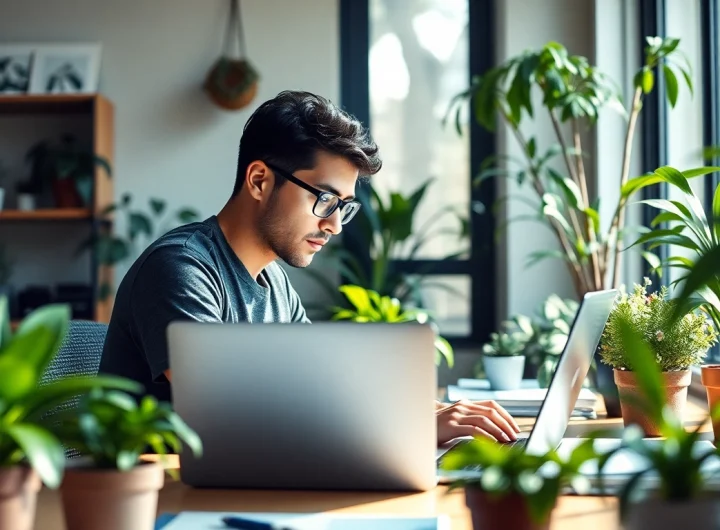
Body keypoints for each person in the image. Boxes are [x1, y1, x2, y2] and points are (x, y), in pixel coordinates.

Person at [99, 90, 520, 445]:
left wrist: (440, 413)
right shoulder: (180, 267)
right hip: (166, 503)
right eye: (324, 199)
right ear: (260, 180)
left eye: (344, 207)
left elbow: (324, 390)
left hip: (247, 486)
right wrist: (412, 428)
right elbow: (224, 410)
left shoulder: (275, 283)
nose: (335, 224)